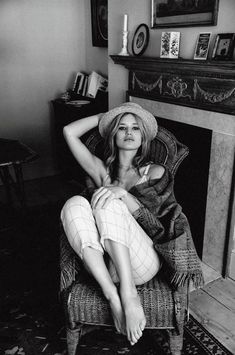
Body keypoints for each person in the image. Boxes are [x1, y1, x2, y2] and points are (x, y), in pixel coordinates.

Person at [60, 102, 203, 346]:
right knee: (74, 203)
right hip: (104, 264)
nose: (128, 132)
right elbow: (68, 132)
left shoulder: (155, 172)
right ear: (114, 134)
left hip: (142, 261)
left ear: (143, 137)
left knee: (109, 200)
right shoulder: (101, 171)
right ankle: (113, 297)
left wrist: (124, 195)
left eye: (135, 128)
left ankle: (129, 294)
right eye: (122, 127)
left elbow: (159, 227)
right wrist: (106, 116)